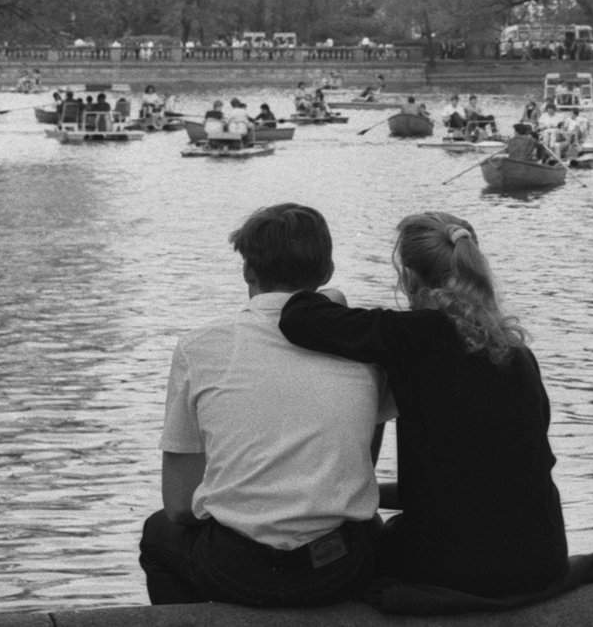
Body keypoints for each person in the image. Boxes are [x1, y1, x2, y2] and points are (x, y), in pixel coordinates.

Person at [279, 212, 567, 597]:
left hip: (453, 568)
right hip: (542, 560)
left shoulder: (411, 336)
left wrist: (333, 297)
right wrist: (374, 492)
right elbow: (490, 476)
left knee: (347, 552)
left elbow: (298, 317)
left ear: (410, 276)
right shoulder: (518, 353)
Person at [139, 204, 392, 606]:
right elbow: (361, 461)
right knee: (371, 528)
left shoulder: (200, 346)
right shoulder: (365, 347)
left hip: (236, 569)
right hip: (338, 568)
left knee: (158, 535)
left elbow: (179, 506)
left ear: (247, 272)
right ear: (326, 271)